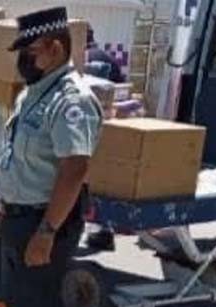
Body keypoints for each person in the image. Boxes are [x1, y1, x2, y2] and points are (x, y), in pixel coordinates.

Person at [0, 7, 103, 307]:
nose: (24, 60)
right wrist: (5, 202)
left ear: (55, 48)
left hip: (44, 223)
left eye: (31, 51)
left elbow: (75, 169)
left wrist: (47, 232)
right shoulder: (35, 91)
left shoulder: (70, 98)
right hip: (20, 216)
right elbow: (21, 155)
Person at [83, 27, 125, 251]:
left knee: (85, 181)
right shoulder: (110, 59)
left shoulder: (84, 60)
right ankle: (104, 232)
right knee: (103, 181)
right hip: (110, 127)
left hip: (87, 128)